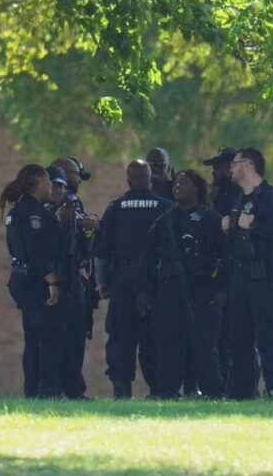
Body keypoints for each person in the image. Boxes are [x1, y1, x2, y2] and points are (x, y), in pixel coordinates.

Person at [223, 147, 273, 400]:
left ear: (248, 165)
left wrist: (253, 226)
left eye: (235, 164)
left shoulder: (272, 198)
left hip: (266, 279)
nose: (231, 169)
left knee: (267, 338)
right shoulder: (240, 200)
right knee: (239, 337)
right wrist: (229, 228)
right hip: (242, 278)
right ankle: (243, 393)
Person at [141, 170, 226, 399]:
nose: (177, 186)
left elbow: (227, 257)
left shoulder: (211, 220)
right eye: (176, 183)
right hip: (170, 291)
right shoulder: (165, 221)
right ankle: (167, 391)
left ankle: (212, 391)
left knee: (204, 344)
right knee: (168, 344)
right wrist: (143, 291)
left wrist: (222, 290)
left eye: (184, 183)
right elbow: (147, 258)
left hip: (202, 290)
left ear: (197, 188)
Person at [94, 160, 174, 398]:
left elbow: (102, 251)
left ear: (128, 182)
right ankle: (159, 390)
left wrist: (102, 283)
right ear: (151, 179)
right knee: (156, 337)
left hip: (123, 280)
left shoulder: (116, 208)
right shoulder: (166, 207)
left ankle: (122, 390)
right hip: (157, 283)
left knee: (121, 337)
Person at [1, 164, 70, 398]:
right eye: (48, 181)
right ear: (39, 182)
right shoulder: (34, 214)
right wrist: (52, 282)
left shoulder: (17, 211)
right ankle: (48, 391)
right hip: (36, 283)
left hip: (21, 279)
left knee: (33, 337)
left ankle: (32, 391)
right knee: (49, 338)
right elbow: (37, 251)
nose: (51, 187)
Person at [47, 157, 98, 399]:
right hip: (59, 277)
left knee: (76, 334)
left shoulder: (75, 202)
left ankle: (73, 388)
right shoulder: (49, 203)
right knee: (60, 336)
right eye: (78, 175)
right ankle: (58, 388)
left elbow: (83, 246)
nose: (79, 180)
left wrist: (88, 231)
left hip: (74, 274)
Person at [202, 146, 244, 389]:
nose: (214, 172)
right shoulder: (215, 197)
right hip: (216, 277)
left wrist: (225, 288)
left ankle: (238, 387)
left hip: (234, 278)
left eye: (217, 167)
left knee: (235, 337)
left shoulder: (237, 198)